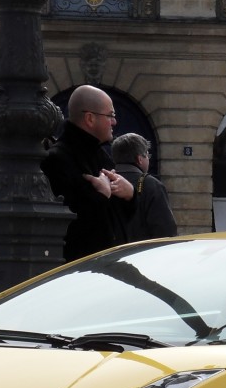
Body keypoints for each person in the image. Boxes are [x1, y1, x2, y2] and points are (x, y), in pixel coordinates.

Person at [40, 84, 136, 261]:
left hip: (109, 265)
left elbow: (120, 220)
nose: (114, 122)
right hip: (80, 272)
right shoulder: (57, 160)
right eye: (110, 115)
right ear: (90, 119)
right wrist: (101, 196)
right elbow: (67, 229)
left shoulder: (101, 156)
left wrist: (129, 194)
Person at [111, 132, 178, 241]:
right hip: (141, 254)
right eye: (147, 155)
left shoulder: (104, 182)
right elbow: (165, 231)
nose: (148, 159)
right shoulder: (152, 185)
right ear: (139, 159)